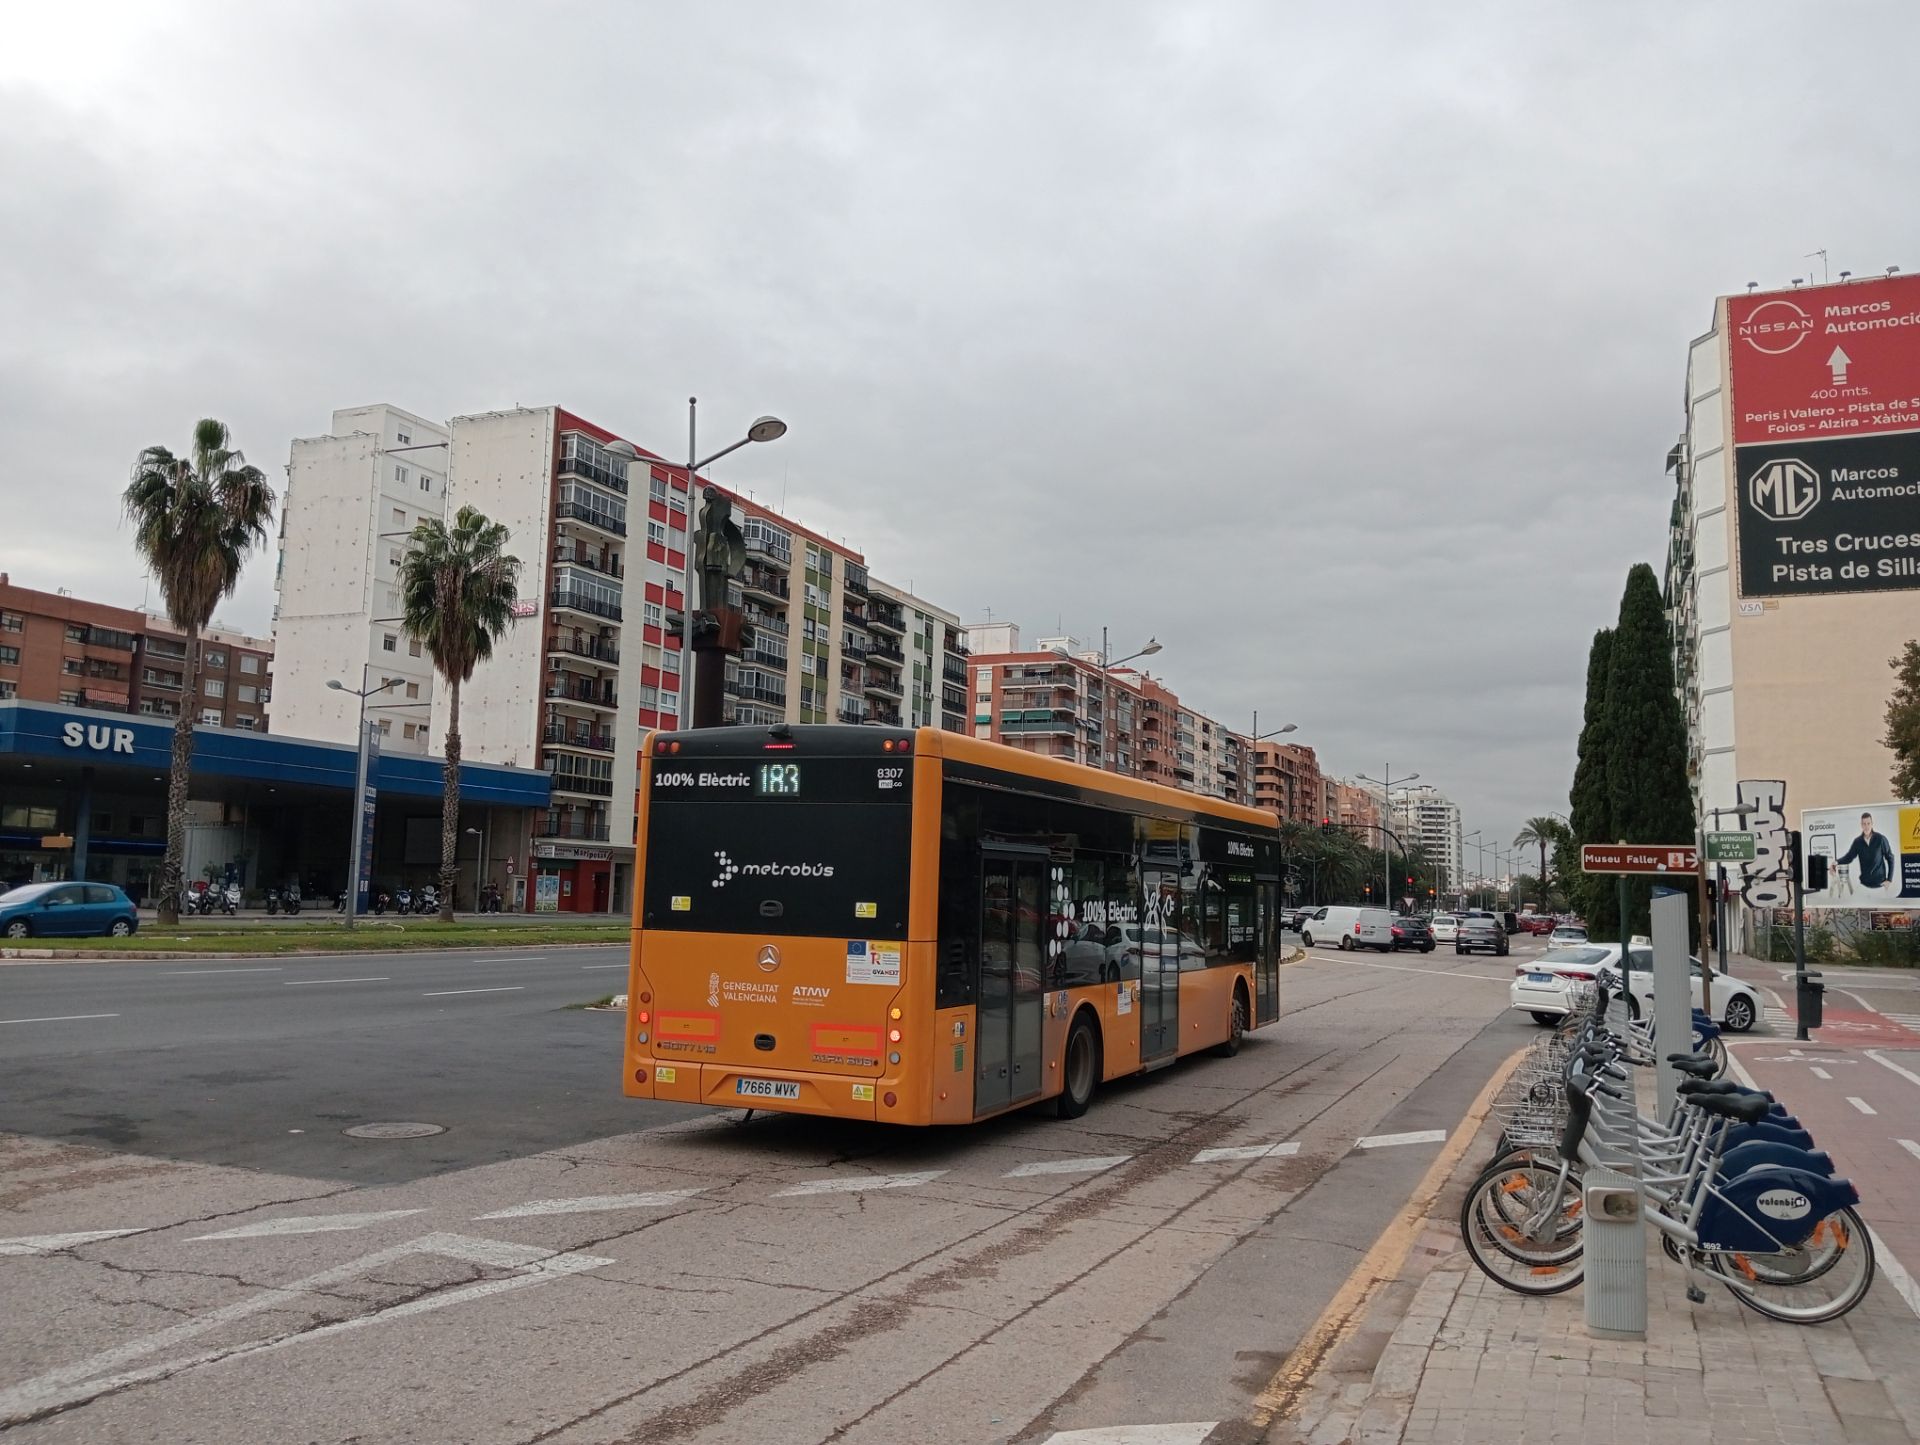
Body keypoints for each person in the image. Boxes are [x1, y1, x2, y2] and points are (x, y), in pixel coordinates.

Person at [1834, 813, 1897, 890]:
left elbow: (1890, 858)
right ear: (1861, 825)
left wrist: (1889, 879)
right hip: (1864, 885)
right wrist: (1836, 862)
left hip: (1880, 885)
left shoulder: (1880, 839)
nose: (1866, 826)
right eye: (1864, 824)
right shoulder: (1857, 842)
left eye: (1868, 823)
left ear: (1872, 824)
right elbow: (1849, 857)